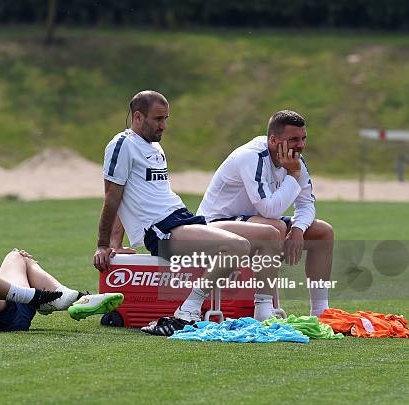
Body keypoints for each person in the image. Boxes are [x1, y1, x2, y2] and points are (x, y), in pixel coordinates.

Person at [93, 90, 282, 334]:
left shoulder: (155, 148)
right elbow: (113, 197)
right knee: (238, 246)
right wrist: (104, 244)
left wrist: (116, 241)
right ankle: (188, 309)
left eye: (166, 119)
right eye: (158, 119)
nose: (164, 126)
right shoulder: (122, 144)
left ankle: (263, 312)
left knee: (269, 235)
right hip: (161, 232)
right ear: (138, 117)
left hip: (183, 219)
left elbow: (132, 195)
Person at [196, 109, 334, 317]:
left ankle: (321, 312)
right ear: (272, 139)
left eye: (304, 138)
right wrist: (293, 174)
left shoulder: (296, 159)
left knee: (323, 232)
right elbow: (269, 209)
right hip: (215, 225)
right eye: (294, 139)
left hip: (258, 224)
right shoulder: (251, 156)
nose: (301, 145)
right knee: (275, 227)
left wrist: (297, 230)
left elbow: (306, 205)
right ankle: (263, 310)